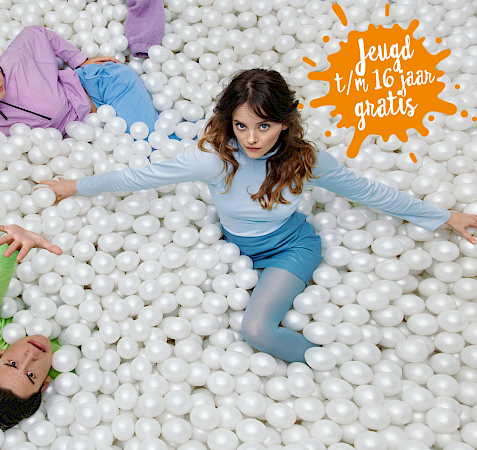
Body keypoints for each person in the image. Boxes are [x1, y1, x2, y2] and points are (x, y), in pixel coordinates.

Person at [37, 68, 477, 364]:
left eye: (264, 126)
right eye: (241, 125)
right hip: (230, 253)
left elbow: (367, 191)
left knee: (258, 331)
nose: (251, 138)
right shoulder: (215, 159)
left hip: (289, 248)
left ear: (285, 123)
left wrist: (444, 217)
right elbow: (140, 176)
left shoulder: (305, 161)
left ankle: (332, 365)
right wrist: (74, 186)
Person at [0, 25, 159, 137]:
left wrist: (79, 60)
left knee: (150, 143)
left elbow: (35, 32)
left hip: (100, 88)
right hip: (84, 133)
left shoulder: (13, 61)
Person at [0, 223, 63, 430]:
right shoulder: (71, 370)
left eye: (12, 364)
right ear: (44, 385)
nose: (30, 356)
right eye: (31, 376)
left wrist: (14, 246)